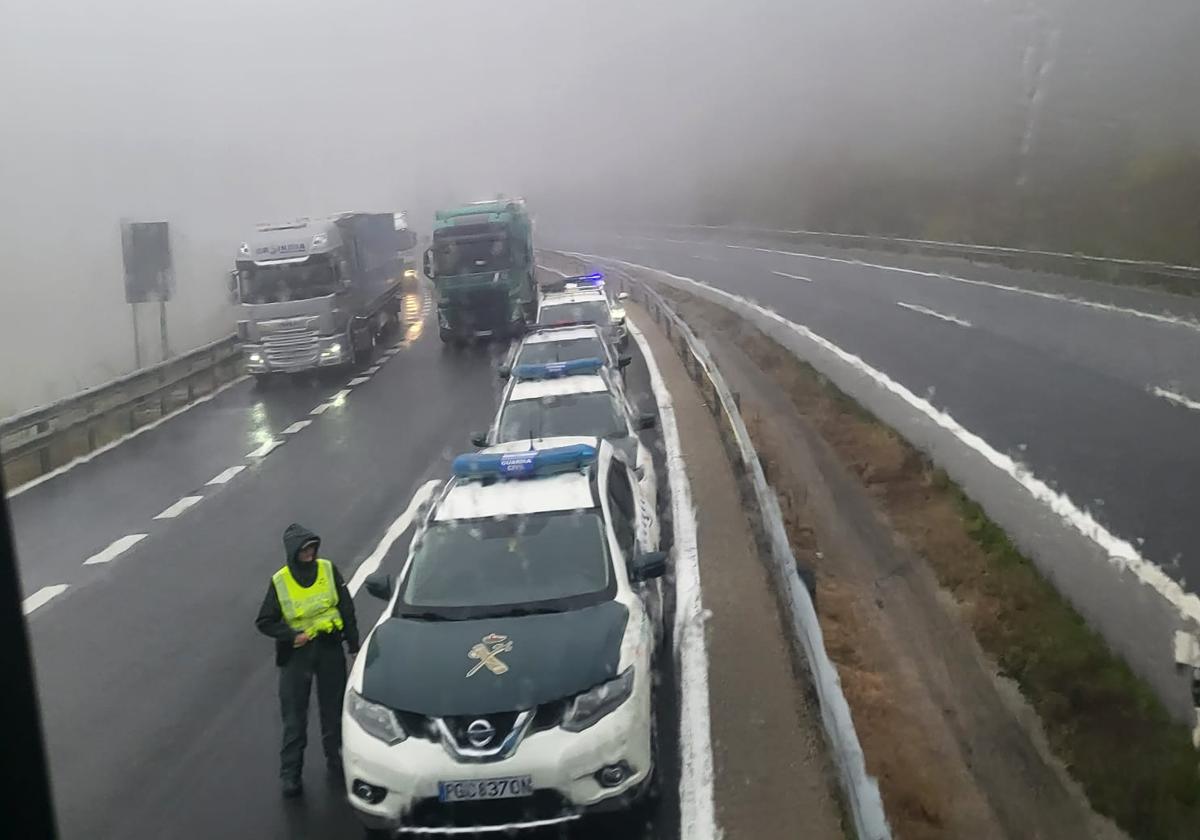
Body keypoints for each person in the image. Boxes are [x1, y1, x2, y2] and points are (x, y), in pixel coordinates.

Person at [255, 523, 359, 798]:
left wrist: (354, 644)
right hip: (296, 655)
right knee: (294, 718)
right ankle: (291, 774)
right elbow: (264, 621)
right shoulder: (280, 581)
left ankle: (337, 762)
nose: (309, 553)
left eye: (312, 547)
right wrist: (290, 635)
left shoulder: (327, 569)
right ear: (292, 552)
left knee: (333, 711)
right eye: (304, 549)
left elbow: (346, 607)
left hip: (328, 648)